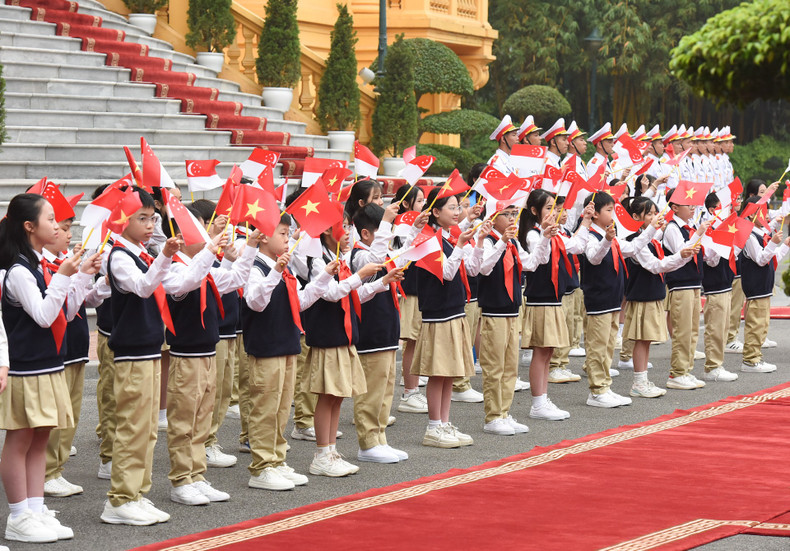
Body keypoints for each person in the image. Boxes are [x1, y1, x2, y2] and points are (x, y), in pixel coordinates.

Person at [0, 193, 101, 542]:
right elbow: (44, 316)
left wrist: (81, 276)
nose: (57, 226)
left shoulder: (37, 264)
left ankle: (35, 507)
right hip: (25, 368)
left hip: (47, 364)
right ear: (29, 226)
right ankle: (18, 516)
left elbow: (65, 313)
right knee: (20, 440)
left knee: (40, 439)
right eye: (51, 219)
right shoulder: (18, 270)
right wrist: (63, 275)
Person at [163, 209, 258, 507]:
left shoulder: (203, 267)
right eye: (199, 233)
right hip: (186, 355)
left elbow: (237, 278)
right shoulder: (174, 268)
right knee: (184, 420)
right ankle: (181, 480)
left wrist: (251, 245)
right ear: (182, 238)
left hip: (207, 352)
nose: (206, 238)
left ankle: (197, 475)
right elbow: (187, 282)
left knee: (202, 418)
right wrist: (209, 251)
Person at [102, 187, 181, 525]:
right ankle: (120, 498)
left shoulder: (144, 253)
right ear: (123, 220)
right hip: (132, 352)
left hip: (149, 348)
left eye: (153, 218)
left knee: (147, 428)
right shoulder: (120, 256)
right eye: (142, 218)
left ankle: (136, 492)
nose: (150, 225)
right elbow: (144, 287)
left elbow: (172, 283)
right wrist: (165, 256)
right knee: (133, 426)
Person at [242, 214, 334, 489]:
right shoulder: (256, 266)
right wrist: (275, 271)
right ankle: (261, 467)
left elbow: (299, 301)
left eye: (287, 233)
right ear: (263, 237)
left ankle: (276, 459)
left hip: (286, 344)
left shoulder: (284, 268)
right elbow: (256, 302)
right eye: (282, 233)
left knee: (282, 408)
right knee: (265, 408)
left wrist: (325, 277)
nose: (287, 238)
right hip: (266, 347)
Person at [301, 214, 382, 476]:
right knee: (327, 396)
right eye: (342, 226)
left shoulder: (339, 258)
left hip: (343, 335)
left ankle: (331, 451)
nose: (348, 231)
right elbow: (332, 294)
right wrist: (360, 275)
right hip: (327, 337)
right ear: (326, 231)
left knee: (337, 396)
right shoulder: (318, 261)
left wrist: (382, 282)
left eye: (348, 226)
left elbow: (352, 294)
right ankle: (321, 454)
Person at [43, 214, 108, 498]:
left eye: (69, 229)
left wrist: (99, 284)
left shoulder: (66, 260)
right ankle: (47, 472)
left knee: (70, 414)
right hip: (57, 349)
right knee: (55, 415)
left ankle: (56, 469)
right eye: (63, 229)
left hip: (77, 346)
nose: (69, 235)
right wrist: (76, 273)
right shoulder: (43, 266)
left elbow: (82, 300)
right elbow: (58, 308)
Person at [413, 189, 481, 448]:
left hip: (454, 311)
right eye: (451, 207)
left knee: (450, 372)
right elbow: (446, 273)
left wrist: (477, 240)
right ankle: (433, 427)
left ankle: (444, 423)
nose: (457, 212)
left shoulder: (448, 236)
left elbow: (470, 269)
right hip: (438, 314)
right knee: (438, 372)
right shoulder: (428, 239)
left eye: (458, 207)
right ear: (435, 211)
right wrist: (462, 245)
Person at [476, 202, 550, 435]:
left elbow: (532, 263)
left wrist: (545, 238)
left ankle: (504, 412)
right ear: (492, 218)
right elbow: (484, 268)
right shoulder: (488, 241)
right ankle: (493, 416)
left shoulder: (514, 243)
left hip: (512, 311)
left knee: (510, 367)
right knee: (494, 366)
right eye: (505, 214)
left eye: (514, 214)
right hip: (494, 310)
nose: (511, 218)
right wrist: (501, 242)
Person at [580, 192, 657, 407]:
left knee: (607, 346)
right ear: (595, 213)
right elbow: (594, 258)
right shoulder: (588, 235)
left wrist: (652, 229)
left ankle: (605, 386)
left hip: (613, 299)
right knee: (597, 346)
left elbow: (632, 248)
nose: (613, 214)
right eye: (609, 210)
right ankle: (597, 391)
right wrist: (607, 240)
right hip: (599, 299)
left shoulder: (611, 236)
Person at [519, 190, 591, 420]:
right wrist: (546, 235)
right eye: (548, 208)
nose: (554, 212)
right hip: (540, 299)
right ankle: (537, 403)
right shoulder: (532, 234)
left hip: (553, 299)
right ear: (534, 211)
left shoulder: (555, 233)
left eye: (555, 208)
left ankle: (542, 399)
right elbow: (540, 259)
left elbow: (577, 246)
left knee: (548, 351)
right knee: (541, 351)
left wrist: (586, 220)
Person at [350, 204, 409, 462]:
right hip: (371, 331)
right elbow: (375, 260)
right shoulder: (360, 256)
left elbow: (401, 258)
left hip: (387, 329)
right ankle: (367, 442)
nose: (387, 238)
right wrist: (386, 221)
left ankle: (380, 437)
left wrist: (413, 232)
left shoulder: (380, 253)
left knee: (385, 389)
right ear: (365, 234)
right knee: (371, 391)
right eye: (382, 232)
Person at [622, 197, 696, 397]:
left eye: (655, 213)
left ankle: (642, 381)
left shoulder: (651, 239)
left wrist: (682, 255)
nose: (654, 217)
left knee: (646, 340)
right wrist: (680, 256)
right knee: (641, 339)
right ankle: (639, 383)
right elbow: (655, 266)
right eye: (649, 214)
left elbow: (661, 264)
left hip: (652, 294)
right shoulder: (635, 241)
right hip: (642, 295)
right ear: (635, 216)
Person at [189, 200, 240, 469]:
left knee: (224, 391)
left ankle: (211, 439)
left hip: (229, 328)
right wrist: (212, 243)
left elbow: (230, 279)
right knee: (211, 391)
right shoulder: (198, 256)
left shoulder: (219, 251)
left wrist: (230, 255)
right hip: (214, 330)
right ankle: (205, 442)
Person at [661, 188, 710, 390]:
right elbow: (683, 253)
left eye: (693, 203)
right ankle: (677, 373)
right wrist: (698, 234)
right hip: (680, 285)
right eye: (687, 204)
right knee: (682, 331)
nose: (692, 207)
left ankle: (686, 370)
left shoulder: (691, 226)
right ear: (674, 207)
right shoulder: (672, 228)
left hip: (694, 283)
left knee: (692, 331)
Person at [738, 197, 790, 373]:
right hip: (756, 287)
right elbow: (761, 259)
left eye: (766, 211)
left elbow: (772, 260)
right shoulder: (750, 236)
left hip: (764, 287)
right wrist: (774, 242)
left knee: (762, 325)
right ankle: (750, 360)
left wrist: (784, 246)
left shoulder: (760, 234)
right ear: (751, 215)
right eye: (762, 212)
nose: (767, 216)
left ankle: (756, 357)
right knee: (755, 324)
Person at [392, 184, 429, 415]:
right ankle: (409, 392)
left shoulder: (419, 224)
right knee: (411, 341)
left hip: (420, 289)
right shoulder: (402, 227)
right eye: (419, 201)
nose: (424, 205)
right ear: (406, 203)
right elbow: (402, 256)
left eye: (424, 200)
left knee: (415, 341)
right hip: (409, 290)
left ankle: (412, 389)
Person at [699, 194, 740, 382]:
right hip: (715, 285)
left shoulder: (723, 228)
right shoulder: (708, 230)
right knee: (715, 327)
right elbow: (710, 260)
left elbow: (732, 255)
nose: (729, 210)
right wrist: (722, 241)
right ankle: (712, 367)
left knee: (723, 327)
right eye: (725, 207)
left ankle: (718, 364)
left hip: (725, 283)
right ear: (713, 210)